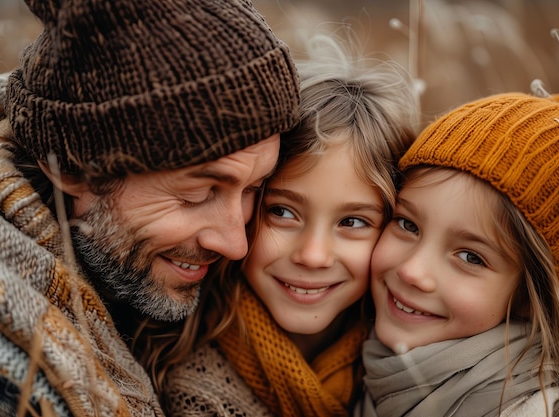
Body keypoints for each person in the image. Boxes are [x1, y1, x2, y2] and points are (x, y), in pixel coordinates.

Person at [0, 0, 300, 415]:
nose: (235, 244)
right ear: (71, 167)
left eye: (253, 188)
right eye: (196, 195)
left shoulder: (196, 301)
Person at [132, 34, 421, 416]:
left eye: (352, 221)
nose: (313, 255)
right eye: (283, 212)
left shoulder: (411, 366)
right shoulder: (195, 388)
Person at [361, 92, 559, 417]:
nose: (412, 271)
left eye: (471, 257)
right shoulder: (360, 373)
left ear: (531, 299)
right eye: (407, 224)